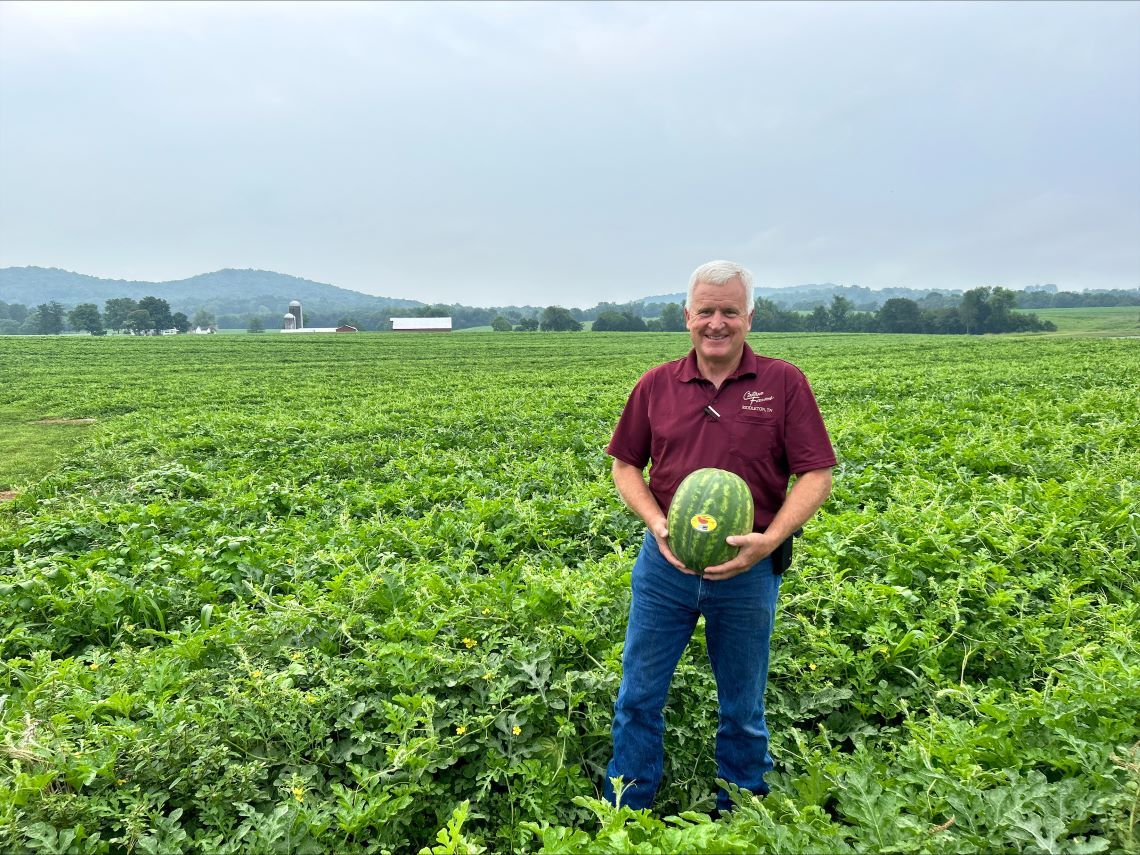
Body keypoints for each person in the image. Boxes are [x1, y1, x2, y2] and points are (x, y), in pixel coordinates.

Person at [603, 259, 836, 814]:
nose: (717, 322)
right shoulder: (657, 384)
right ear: (687, 316)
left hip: (748, 568)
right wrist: (658, 525)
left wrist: (770, 538)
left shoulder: (784, 382)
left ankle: (741, 811)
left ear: (749, 317)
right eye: (705, 311)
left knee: (743, 705)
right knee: (638, 695)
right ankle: (627, 807)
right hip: (664, 566)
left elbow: (816, 473)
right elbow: (625, 465)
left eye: (729, 311)